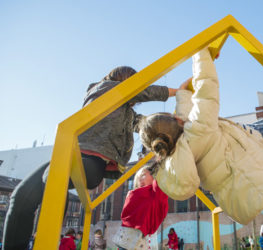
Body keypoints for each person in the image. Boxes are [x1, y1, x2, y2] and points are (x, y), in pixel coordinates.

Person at [138, 47, 263, 225]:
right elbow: (207, 91)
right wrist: (202, 54)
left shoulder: (178, 156)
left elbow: (184, 116)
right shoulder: (198, 129)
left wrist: (182, 93)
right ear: (174, 122)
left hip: (246, 189)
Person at [2, 66, 178, 249]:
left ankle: (46, 238)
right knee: (20, 197)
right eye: (133, 84)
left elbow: (148, 124)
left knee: (51, 177)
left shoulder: (126, 113)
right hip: (74, 155)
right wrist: (177, 91)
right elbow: (141, 90)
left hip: (94, 164)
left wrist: (173, 121)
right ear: (124, 80)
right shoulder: (102, 89)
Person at [112, 163, 168, 250]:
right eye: (138, 177)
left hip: (138, 241)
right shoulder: (134, 194)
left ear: (153, 176)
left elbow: (160, 191)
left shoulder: (154, 193)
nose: (140, 179)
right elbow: (125, 216)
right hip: (124, 240)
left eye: (143, 175)